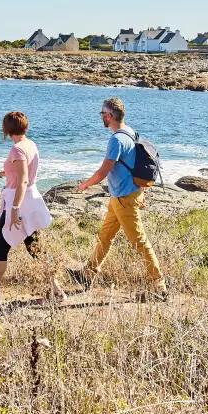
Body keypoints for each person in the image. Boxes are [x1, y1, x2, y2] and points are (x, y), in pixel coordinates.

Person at [68, 97, 167, 300]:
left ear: (110, 116)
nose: (102, 117)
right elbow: (137, 163)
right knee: (105, 236)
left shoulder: (116, 140)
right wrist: (141, 192)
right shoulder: (130, 132)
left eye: (103, 114)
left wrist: (85, 184)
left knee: (140, 242)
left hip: (124, 198)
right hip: (123, 195)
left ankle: (160, 287)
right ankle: (87, 274)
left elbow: (103, 171)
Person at [0, 110, 65, 304]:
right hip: (30, 200)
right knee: (36, 248)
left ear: (7, 129)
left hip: (19, 203)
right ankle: (56, 291)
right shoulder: (30, 144)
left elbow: (22, 180)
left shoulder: (17, 150)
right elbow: (21, 174)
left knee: (1, 248)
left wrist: (14, 210)